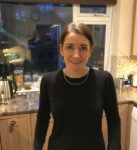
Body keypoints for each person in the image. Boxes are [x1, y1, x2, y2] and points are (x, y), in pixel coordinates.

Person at [34, 22, 121, 150]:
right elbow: (42, 120)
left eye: (83, 48)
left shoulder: (104, 80)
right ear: (61, 49)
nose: (76, 55)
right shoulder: (48, 81)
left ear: (90, 50)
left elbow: (114, 123)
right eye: (70, 47)